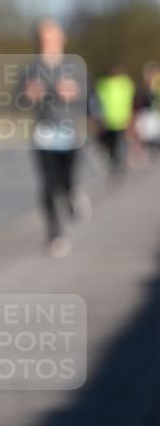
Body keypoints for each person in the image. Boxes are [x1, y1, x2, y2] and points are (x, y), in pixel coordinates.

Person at [22, 19, 88, 258]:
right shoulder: (31, 68)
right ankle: (55, 233)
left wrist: (71, 92)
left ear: (61, 39)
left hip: (70, 133)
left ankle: (72, 194)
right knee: (48, 184)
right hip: (44, 133)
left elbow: (86, 98)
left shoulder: (74, 65)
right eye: (42, 38)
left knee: (66, 181)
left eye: (51, 37)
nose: (46, 42)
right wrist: (30, 95)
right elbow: (19, 100)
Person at [93, 65, 136, 174]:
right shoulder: (104, 84)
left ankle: (120, 160)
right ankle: (115, 160)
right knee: (112, 142)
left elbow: (130, 100)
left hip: (119, 118)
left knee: (120, 141)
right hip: (111, 119)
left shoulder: (123, 83)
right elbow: (98, 102)